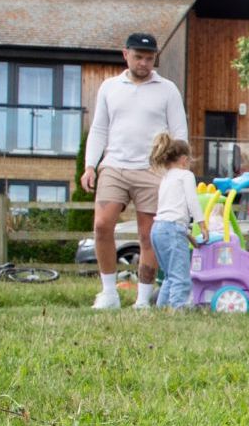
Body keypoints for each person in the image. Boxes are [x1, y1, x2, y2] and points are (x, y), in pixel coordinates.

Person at [82, 32, 187, 310]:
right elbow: (99, 128)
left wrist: (176, 171)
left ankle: (142, 298)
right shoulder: (109, 87)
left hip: (152, 170)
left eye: (149, 58)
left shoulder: (168, 90)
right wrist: (89, 165)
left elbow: (179, 134)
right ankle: (109, 294)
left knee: (148, 235)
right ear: (125, 55)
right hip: (114, 165)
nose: (143, 63)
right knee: (102, 225)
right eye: (138, 57)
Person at [147, 134, 200, 310]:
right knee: (180, 277)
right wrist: (203, 224)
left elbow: (171, 210)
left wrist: (187, 234)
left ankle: (161, 310)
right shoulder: (186, 175)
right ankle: (178, 310)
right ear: (184, 160)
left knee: (170, 276)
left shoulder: (166, 178)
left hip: (157, 230)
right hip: (172, 229)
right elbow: (192, 203)